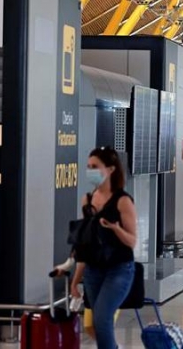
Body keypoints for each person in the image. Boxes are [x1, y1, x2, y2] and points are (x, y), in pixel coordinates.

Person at [70, 147, 137, 349]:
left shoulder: (122, 201)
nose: (90, 171)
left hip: (119, 269)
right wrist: (75, 281)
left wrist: (115, 228)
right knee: (94, 324)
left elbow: (132, 241)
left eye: (95, 167)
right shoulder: (87, 200)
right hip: (93, 269)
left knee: (102, 316)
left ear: (110, 169)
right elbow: (85, 244)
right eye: (88, 167)